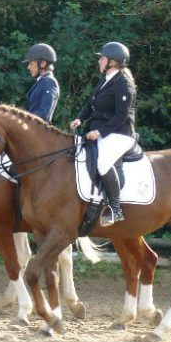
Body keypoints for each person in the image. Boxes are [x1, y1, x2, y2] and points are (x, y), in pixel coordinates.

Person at [69, 41, 136, 226]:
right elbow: (91, 104)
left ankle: (115, 208)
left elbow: (121, 115)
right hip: (102, 132)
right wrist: (80, 119)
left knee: (103, 162)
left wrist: (99, 132)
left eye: (102, 58)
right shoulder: (106, 80)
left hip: (120, 133)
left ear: (112, 62)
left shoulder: (124, 84)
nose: (99, 61)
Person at [23, 43, 59, 123]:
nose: (28, 67)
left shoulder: (49, 82)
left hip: (39, 131)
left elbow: (44, 113)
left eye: (31, 63)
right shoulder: (41, 81)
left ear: (42, 63)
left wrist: (23, 118)